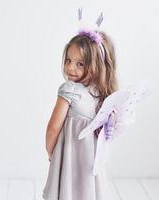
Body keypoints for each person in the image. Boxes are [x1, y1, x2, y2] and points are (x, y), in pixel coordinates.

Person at [42, 26, 119, 200]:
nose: (70, 68)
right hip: (90, 163)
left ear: (96, 66)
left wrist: (51, 153)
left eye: (80, 64)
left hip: (68, 160)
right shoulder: (103, 95)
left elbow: (53, 127)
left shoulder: (69, 90)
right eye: (68, 60)